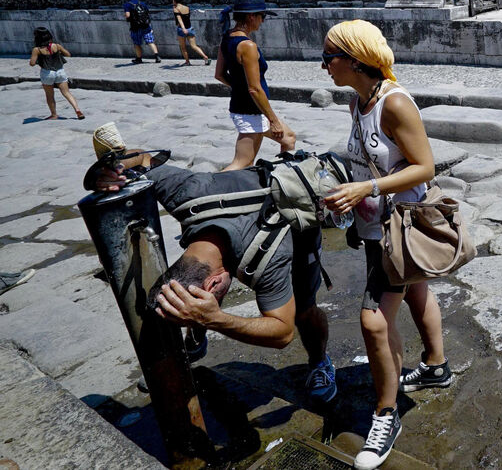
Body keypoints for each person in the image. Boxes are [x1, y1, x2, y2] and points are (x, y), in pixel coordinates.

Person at [89, 142, 338, 406]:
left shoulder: (267, 260)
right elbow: (143, 158)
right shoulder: (186, 191)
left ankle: (320, 362)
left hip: (296, 226)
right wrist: (108, 172)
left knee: (304, 310)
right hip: (247, 206)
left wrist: (215, 318)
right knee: (195, 305)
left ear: (214, 282)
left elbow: (282, 333)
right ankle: (195, 339)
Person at [320, 20, 451, 470]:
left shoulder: (393, 105)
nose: (323, 67)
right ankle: (435, 367)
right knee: (416, 292)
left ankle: (385, 414)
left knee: (373, 324)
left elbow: (425, 166)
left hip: (399, 230)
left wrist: (368, 189)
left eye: (329, 58)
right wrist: (347, 194)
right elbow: (362, 162)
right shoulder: (359, 101)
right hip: (375, 227)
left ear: (356, 61)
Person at [214, 0, 295, 171]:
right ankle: (211, 189)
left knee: (288, 138)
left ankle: (283, 178)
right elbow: (255, 88)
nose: (262, 21)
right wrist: (273, 120)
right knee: (242, 163)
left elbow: (219, 75)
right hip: (250, 112)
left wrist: (240, 88)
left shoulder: (226, 38)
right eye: (262, 16)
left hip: (249, 108)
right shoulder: (247, 45)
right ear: (251, 17)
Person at [28, 27, 84, 120]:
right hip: (60, 71)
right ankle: (78, 111)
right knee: (67, 93)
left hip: (47, 73)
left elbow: (32, 63)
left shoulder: (36, 49)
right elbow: (68, 54)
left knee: (50, 95)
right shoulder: (56, 46)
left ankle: (54, 115)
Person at [123, 0, 160, 64]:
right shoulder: (142, 3)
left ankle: (139, 58)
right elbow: (147, 14)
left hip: (135, 27)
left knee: (137, 43)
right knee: (150, 41)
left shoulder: (127, 4)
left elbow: (127, 15)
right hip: (145, 25)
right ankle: (157, 56)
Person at [171, 0, 211, 66]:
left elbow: (179, 19)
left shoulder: (176, 9)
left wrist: (183, 28)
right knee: (194, 46)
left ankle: (187, 62)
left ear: (174, 1)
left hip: (182, 29)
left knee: (183, 47)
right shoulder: (187, 7)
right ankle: (205, 57)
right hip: (190, 28)